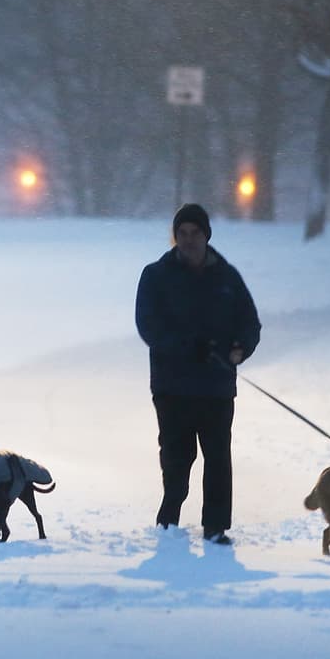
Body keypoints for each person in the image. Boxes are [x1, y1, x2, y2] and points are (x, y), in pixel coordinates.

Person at [134, 203, 261, 545]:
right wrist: (189, 347)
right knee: (177, 456)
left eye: (195, 233)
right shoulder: (156, 276)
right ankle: (169, 519)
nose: (188, 240)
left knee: (218, 456)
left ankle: (216, 526)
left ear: (206, 236)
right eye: (182, 234)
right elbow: (149, 327)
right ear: (175, 237)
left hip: (217, 386)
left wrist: (240, 348)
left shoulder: (227, 277)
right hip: (172, 385)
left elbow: (250, 323)